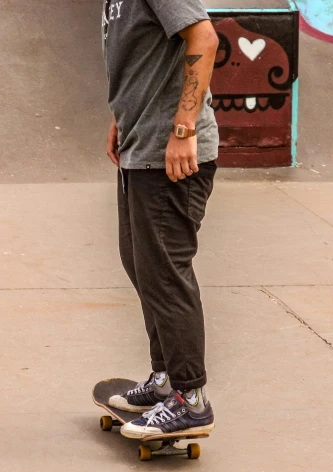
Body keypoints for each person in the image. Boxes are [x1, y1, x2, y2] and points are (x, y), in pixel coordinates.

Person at [102, 0, 219, 438]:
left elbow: (203, 38)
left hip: (171, 155)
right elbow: (143, 57)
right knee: (143, 266)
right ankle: (167, 379)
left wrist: (183, 130)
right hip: (141, 144)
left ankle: (191, 399)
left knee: (166, 274)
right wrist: (121, 116)